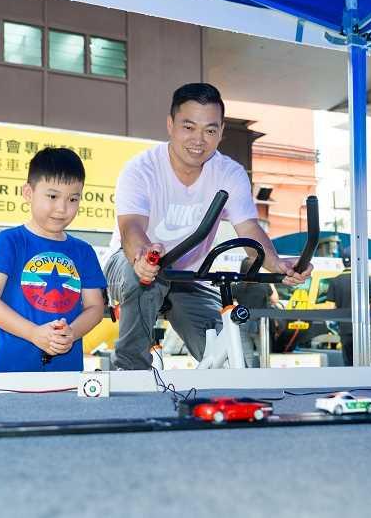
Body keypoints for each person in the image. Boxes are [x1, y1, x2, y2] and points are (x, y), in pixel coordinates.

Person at [104, 83, 311, 370]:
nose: (198, 140)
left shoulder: (229, 173)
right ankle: (130, 370)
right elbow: (131, 227)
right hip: (131, 264)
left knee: (225, 355)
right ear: (170, 125)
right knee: (143, 276)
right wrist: (142, 256)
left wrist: (276, 263)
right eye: (189, 127)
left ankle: (228, 387)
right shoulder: (141, 169)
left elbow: (249, 229)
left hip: (188, 276)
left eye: (210, 130)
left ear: (221, 132)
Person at [0, 148, 106, 372]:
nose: (62, 208)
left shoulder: (83, 251)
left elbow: (95, 307)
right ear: (28, 193)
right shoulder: (9, 241)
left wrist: (72, 333)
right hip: (12, 374)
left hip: (67, 376)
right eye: (52, 196)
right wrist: (33, 333)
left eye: (73, 199)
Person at [324, 250, 371, 366]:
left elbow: (330, 307)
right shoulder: (368, 279)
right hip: (364, 327)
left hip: (345, 328)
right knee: (365, 362)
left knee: (349, 362)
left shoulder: (335, 281)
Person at [233, 255, 280, 367]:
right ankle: (265, 374)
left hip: (243, 323)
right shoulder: (263, 286)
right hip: (261, 324)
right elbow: (275, 300)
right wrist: (271, 283)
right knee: (264, 354)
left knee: (247, 355)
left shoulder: (237, 286)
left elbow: (231, 303)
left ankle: (249, 375)